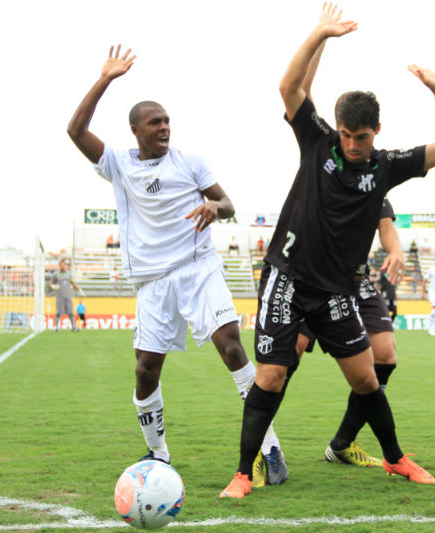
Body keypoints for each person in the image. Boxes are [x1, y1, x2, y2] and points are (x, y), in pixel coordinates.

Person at [219, 2, 435, 498]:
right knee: (272, 373)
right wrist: (319, 34)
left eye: (360, 137)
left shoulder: (386, 166)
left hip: (334, 291)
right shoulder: (318, 140)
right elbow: (289, 88)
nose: (351, 144)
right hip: (287, 278)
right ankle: (243, 473)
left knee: (367, 379)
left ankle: (395, 459)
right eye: (346, 134)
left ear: (377, 132)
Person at [67, 44, 286, 483]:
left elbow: (228, 203)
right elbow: (75, 131)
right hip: (153, 281)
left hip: (198, 268)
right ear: (136, 130)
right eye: (155, 122)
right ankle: (158, 454)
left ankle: (270, 448)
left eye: (167, 120)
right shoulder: (119, 165)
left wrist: (214, 207)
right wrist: (105, 79)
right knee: (145, 369)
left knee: (232, 347)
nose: (164, 127)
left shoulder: (190, 161)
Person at [298, 198, 405, 468]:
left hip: (356, 281)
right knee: (288, 356)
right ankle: (264, 449)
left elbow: (386, 227)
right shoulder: (319, 182)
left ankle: (341, 444)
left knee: (385, 355)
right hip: (313, 279)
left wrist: (396, 250)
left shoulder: (374, 184)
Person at [49, 259, 83, 332]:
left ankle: (73, 327)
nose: (63, 266)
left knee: (70, 311)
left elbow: (72, 282)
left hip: (68, 295)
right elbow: (51, 284)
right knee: (58, 312)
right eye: (62, 265)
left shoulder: (68, 274)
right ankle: (56, 327)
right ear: (59, 265)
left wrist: (78, 289)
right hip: (59, 296)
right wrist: (54, 286)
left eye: (64, 265)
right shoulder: (56, 274)